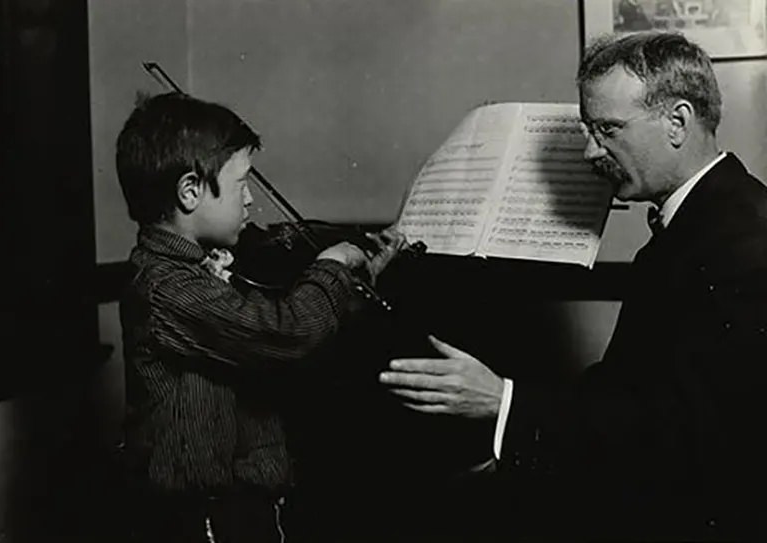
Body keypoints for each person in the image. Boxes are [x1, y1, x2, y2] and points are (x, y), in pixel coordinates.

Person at [380, 32, 767, 541]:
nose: (590, 152)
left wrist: (506, 402)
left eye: (608, 129)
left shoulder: (745, 244)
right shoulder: (703, 221)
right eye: (589, 129)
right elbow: (629, 387)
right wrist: (519, 453)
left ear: (678, 122)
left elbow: (688, 433)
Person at [115, 91, 405, 543]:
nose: (250, 201)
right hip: (205, 522)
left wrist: (357, 281)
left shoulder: (201, 267)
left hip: (244, 509)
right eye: (241, 184)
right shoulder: (169, 288)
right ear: (190, 192)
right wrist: (329, 266)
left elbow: (285, 322)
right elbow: (288, 330)